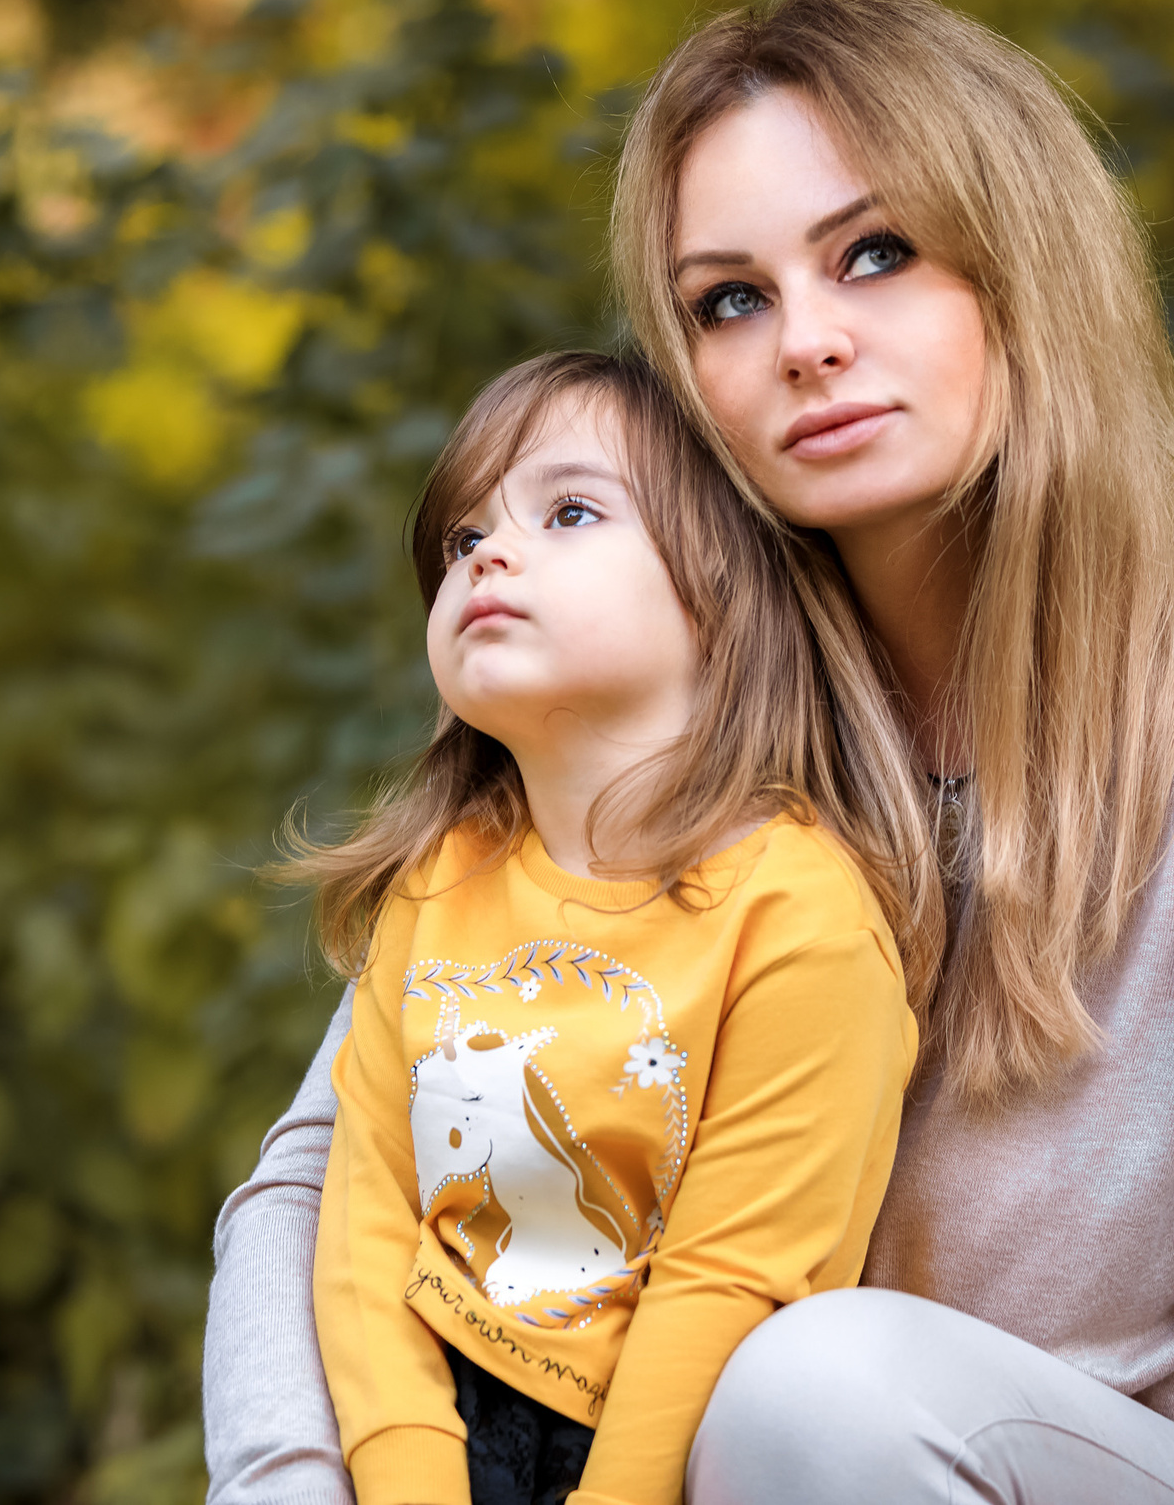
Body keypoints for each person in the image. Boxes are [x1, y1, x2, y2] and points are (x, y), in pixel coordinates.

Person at [207, 0, 1174, 1505]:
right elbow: (318, 1178)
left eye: (876, 253)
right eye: (730, 299)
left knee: (810, 1382)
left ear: (1020, 269)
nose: (808, 342)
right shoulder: (660, 733)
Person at [290, 349, 916, 1505]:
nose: (485, 552)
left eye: (570, 510)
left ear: (721, 594)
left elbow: (736, 1275)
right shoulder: (439, 884)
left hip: (677, 1443)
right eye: (459, 537)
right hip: (431, 1419)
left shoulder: (802, 916)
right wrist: (408, 1482)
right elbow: (367, 1219)